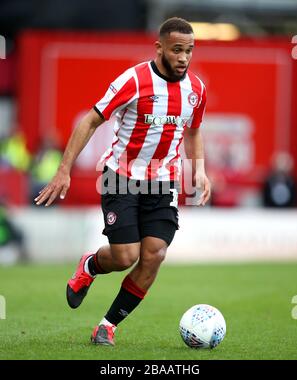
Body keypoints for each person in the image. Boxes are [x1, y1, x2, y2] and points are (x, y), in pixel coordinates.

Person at [34, 17, 211, 346]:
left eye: (189, 51)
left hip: (163, 181)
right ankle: (90, 265)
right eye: (176, 50)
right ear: (159, 48)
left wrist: (198, 168)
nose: (184, 57)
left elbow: (194, 129)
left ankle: (108, 326)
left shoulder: (196, 90)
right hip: (122, 178)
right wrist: (63, 169)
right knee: (125, 256)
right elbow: (90, 121)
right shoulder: (133, 80)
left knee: (154, 254)